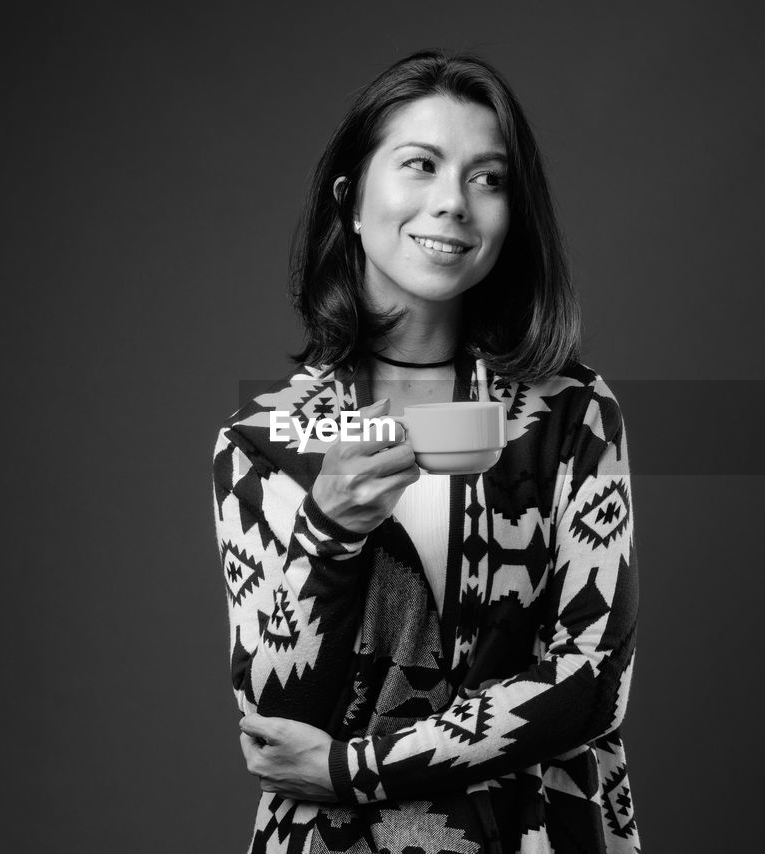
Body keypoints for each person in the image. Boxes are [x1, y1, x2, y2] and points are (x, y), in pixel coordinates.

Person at [212, 50, 639, 854]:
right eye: (420, 165)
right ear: (352, 198)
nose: (453, 203)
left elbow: (592, 682)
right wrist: (326, 534)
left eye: (488, 178)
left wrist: (357, 769)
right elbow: (276, 720)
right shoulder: (263, 442)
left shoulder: (573, 413)